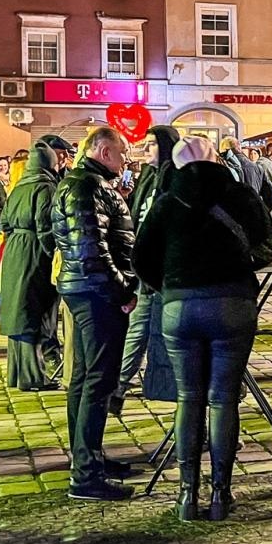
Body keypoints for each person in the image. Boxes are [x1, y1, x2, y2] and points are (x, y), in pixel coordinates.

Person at [135, 136, 272, 521]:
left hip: (180, 307)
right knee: (223, 399)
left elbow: (142, 258)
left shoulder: (166, 200)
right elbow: (269, 243)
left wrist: (172, 283)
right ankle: (220, 495)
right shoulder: (241, 194)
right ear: (216, 159)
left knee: (189, 397)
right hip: (232, 303)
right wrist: (241, 265)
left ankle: (186, 496)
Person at [52, 126, 138, 502]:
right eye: (121, 154)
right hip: (95, 292)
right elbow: (92, 248)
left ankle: (89, 457)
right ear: (103, 151)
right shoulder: (87, 188)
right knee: (97, 382)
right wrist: (122, 289)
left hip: (85, 288)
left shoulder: (82, 184)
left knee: (86, 378)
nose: (125, 162)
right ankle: (85, 475)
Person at [120, 125, 180, 411]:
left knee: (155, 331)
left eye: (153, 144)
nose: (147, 150)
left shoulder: (175, 177)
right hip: (143, 266)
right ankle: (118, 387)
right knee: (138, 326)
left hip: (165, 272)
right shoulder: (147, 176)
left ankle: (128, 387)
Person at [0, 140, 65, 392]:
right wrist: (54, 255)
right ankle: (32, 376)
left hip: (15, 249)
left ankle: (16, 373)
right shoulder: (45, 187)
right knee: (33, 313)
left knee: (19, 311)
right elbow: (45, 226)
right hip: (34, 252)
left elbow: (4, 221)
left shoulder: (19, 186)